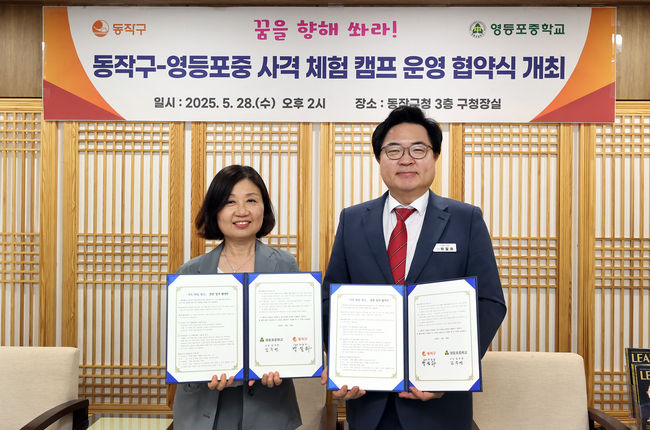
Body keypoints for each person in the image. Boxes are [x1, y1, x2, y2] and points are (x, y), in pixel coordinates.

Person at [321, 106, 507, 430]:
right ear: (379, 158)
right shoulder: (352, 220)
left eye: (418, 149)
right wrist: (342, 363)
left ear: (435, 156)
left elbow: (489, 302)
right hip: (369, 403)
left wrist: (450, 375)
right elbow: (330, 301)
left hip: (440, 408)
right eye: (394, 150)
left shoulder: (466, 219)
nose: (406, 159)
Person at [173, 165, 301, 430]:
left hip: (268, 406)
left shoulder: (285, 266)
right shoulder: (190, 273)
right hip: (204, 407)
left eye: (251, 200)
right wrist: (201, 368)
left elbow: (293, 333)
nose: (242, 211)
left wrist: (283, 365)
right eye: (230, 202)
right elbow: (184, 344)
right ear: (215, 210)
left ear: (264, 208)